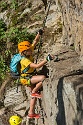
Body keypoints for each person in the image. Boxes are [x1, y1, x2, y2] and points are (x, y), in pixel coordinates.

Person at [18, 29, 53, 118]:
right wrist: (47, 59)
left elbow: (35, 41)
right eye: (29, 49)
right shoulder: (24, 60)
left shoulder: (27, 52)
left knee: (34, 96)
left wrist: (39, 34)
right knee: (42, 78)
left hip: (28, 77)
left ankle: (31, 113)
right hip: (26, 79)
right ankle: (33, 91)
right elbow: (37, 66)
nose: (31, 50)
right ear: (24, 51)